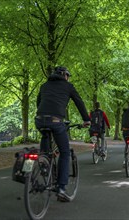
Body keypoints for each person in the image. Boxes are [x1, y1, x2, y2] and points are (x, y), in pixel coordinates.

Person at [35, 66, 91, 201]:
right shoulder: (68, 86)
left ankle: (44, 162)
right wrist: (86, 120)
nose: (68, 78)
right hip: (56, 121)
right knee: (65, 152)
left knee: (45, 136)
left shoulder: (44, 86)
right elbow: (79, 102)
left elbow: (39, 102)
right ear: (64, 75)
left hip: (39, 119)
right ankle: (61, 188)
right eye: (68, 75)